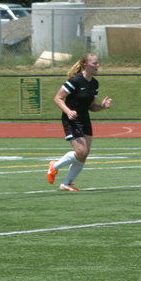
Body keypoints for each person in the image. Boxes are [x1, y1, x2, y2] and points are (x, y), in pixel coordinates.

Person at [47, 53, 112, 191]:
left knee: (84, 154)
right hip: (71, 119)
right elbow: (57, 98)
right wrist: (68, 111)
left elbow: (91, 107)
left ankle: (66, 183)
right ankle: (54, 166)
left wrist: (102, 107)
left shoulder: (94, 83)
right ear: (85, 65)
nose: (97, 65)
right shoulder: (75, 81)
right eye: (94, 63)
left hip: (84, 119)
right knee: (81, 151)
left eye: (98, 63)